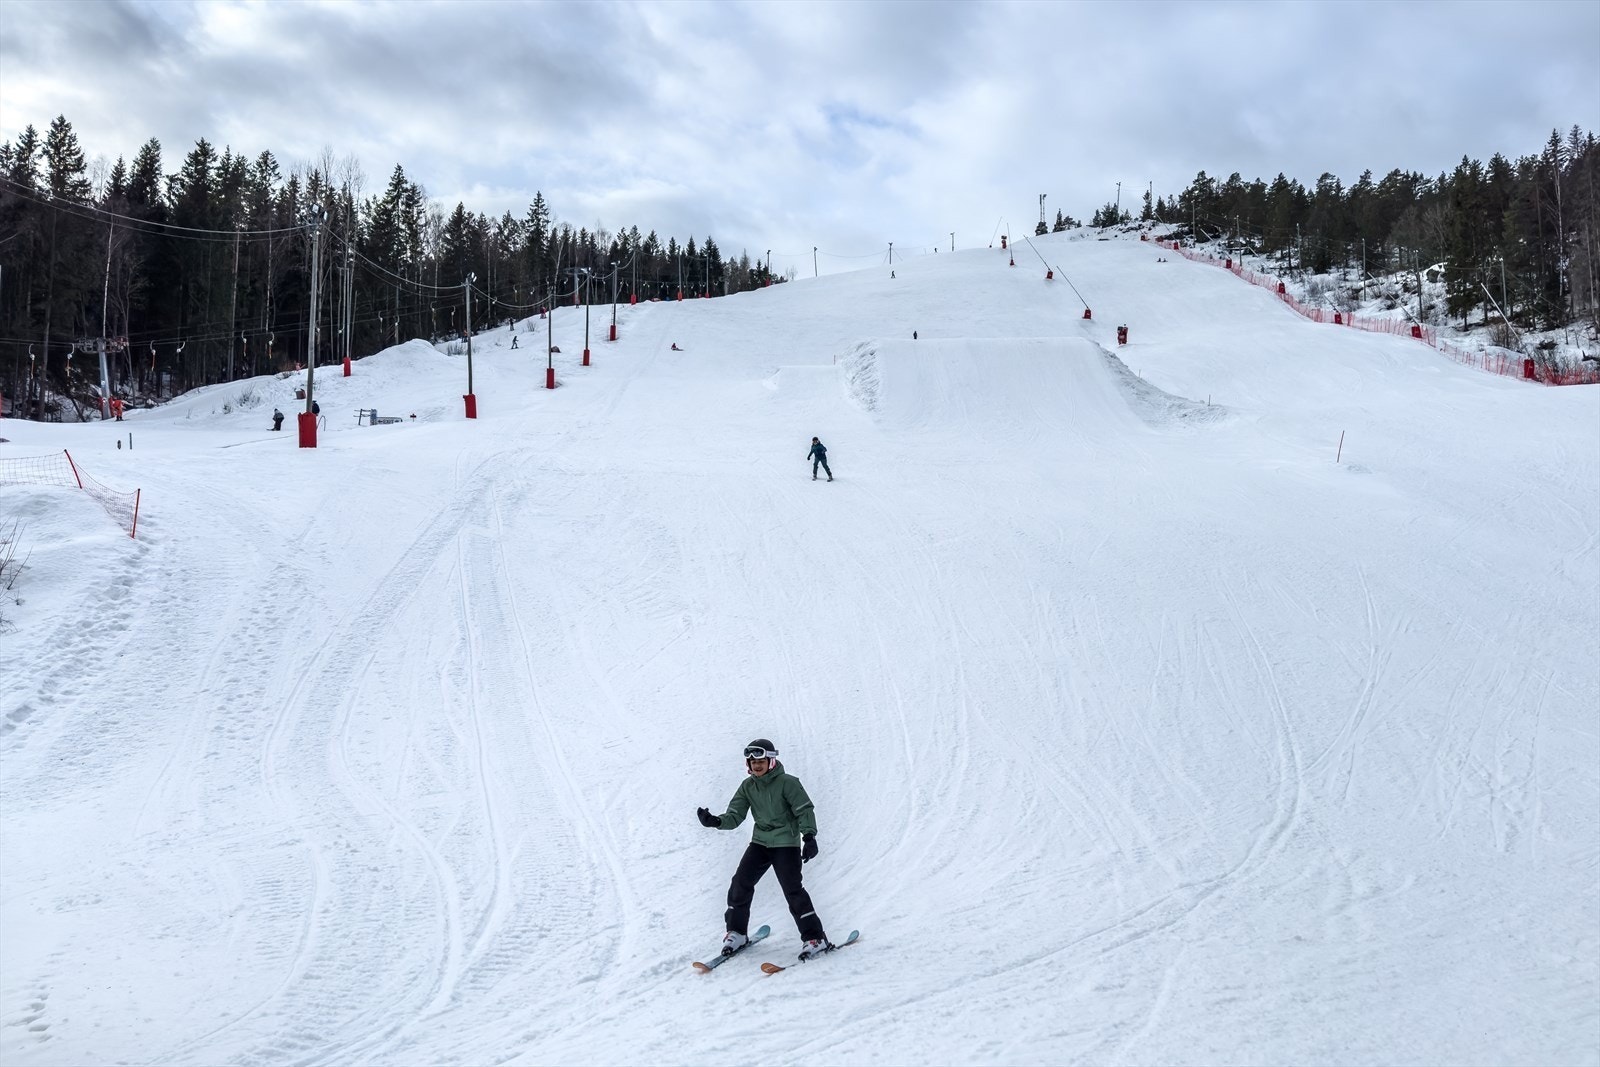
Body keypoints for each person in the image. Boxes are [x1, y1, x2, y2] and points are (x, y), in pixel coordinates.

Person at [697, 739, 832, 961]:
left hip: (785, 844)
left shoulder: (788, 783)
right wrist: (716, 821)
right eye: (752, 761)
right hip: (760, 842)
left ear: (771, 761)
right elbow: (735, 815)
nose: (756, 765)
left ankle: (815, 938)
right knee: (740, 883)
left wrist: (809, 837)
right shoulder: (748, 786)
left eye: (760, 760)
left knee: (792, 890)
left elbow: (803, 809)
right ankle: (737, 933)